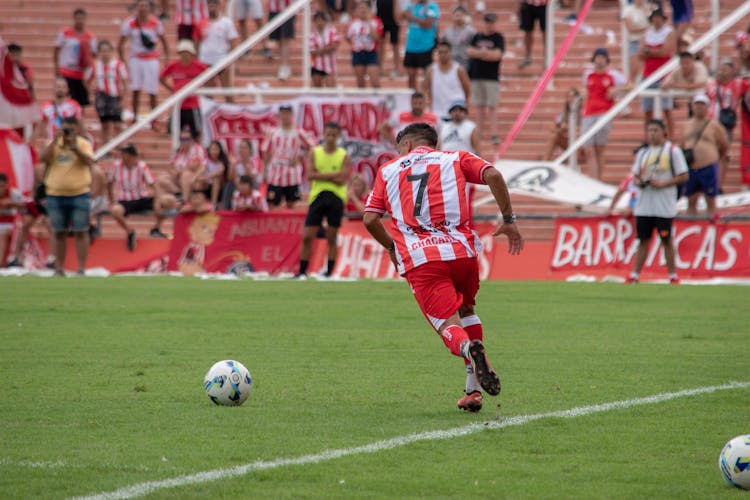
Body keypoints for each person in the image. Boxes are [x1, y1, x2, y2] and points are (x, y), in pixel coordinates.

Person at [363, 122, 523, 413]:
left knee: (448, 326)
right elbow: (494, 174)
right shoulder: (456, 158)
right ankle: (473, 391)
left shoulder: (388, 170)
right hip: (462, 253)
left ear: (407, 145)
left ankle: (468, 350)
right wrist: (509, 220)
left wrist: (390, 246)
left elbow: (370, 219)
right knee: (467, 311)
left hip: (422, 260)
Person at [627, 119, 688, 284]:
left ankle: (672, 275)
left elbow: (684, 175)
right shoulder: (643, 153)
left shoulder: (673, 151)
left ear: (663, 131)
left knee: (666, 239)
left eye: (655, 130)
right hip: (645, 205)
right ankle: (635, 275)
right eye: (650, 130)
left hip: (664, 205)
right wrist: (639, 182)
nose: (652, 134)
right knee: (643, 240)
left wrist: (662, 184)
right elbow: (635, 175)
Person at [39, 116, 95, 276]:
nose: (67, 131)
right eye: (65, 128)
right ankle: (59, 267)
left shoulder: (83, 144)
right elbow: (42, 158)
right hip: (55, 194)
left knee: (81, 231)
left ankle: (81, 268)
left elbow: (90, 161)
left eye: (70, 128)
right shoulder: (53, 144)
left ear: (77, 129)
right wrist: (55, 140)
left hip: (79, 193)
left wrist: (74, 147)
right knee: (58, 232)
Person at [296, 122, 351, 279]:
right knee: (307, 236)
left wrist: (321, 174)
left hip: (336, 197)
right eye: (328, 134)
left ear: (338, 136)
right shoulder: (315, 152)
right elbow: (310, 175)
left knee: (332, 237)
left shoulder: (343, 155)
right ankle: (302, 271)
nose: (331, 138)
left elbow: (342, 179)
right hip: (317, 196)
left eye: (334, 135)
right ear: (323, 134)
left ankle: (329, 272)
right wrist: (332, 175)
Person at [106, 143, 168, 251]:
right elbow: (109, 183)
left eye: (126, 154)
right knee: (116, 210)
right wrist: (111, 200)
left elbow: (153, 184)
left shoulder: (141, 166)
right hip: (124, 200)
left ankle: (156, 227)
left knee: (168, 202)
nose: (124, 157)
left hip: (141, 198)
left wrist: (158, 200)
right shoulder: (116, 167)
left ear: (132, 156)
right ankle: (130, 231)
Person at [119, 0, 169, 123]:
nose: (143, 8)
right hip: (136, 59)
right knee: (136, 89)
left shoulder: (155, 23)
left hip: (151, 59)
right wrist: (124, 61)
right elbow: (121, 43)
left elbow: (164, 41)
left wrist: (165, 58)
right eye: (141, 5)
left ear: (149, 8)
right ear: (137, 7)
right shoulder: (129, 23)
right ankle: (135, 117)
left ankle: (154, 119)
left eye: (145, 5)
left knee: (152, 90)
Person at [580, 48, 627, 179]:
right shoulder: (588, 75)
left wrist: (616, 89)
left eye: (602, 57)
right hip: (589, 112)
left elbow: (630, 85)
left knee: (599, 148)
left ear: (607, 60)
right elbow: (585, 89)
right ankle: (593, 178)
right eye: (597, 57)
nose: (599, 61)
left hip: (604, 113)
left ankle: (598, 179)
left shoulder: (613, 75)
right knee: (589, 148)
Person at [680, 94, 728, 216]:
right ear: (692, 106)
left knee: (710, 199)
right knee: (691, 199)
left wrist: (715, 156)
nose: (699, 107)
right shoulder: (686, 125)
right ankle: (691, 224)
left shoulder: (714, 125)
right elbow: (682, 144)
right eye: (697, 104)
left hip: (708, 166)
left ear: (707, 107)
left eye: (702, 104)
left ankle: (712, 224)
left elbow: (723, 144)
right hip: (691, 166)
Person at [705, 60, 750, 189]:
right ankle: (709, 184)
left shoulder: (737, 84)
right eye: (720, 69)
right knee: (709, 154)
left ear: (732, 72)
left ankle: (718, 185)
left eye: (725, 69)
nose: (722, 72)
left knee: (722, 155)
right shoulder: (711, 84)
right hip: (710, 124)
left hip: (725, 126)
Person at [261, 104, 316, 209]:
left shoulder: (299, 132)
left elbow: (312, 146)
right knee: (272, 203)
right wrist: (265, 171)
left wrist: (300, 157)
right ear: (279, 115)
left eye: (287, 113)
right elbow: (266, 152)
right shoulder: (273, 132)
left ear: (292, 114)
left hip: (292, 173)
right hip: (275, 172)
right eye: (283, 113)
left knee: (293, 203)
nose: (285, 116)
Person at [155, 128, 207, 235]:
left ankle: (184, 201)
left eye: (186, 139)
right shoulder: (179, 151)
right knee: (160, 179)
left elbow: (194, 166)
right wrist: (175, 173)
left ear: (192, 140)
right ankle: (164, 203)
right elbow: (170, 166)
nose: (184, 141)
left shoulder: (197, 149)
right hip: (178, 181)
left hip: (196, 180)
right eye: (182, 139)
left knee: (186, 175)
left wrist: (179, 171)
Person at [466, 12, 504, 146]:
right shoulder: (477, 36)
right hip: (477, 76)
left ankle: (494, 134)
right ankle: (479, 133)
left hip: (491, 77)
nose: (490, 25)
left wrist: (480, 54)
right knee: (479, 106)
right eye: (488, 22)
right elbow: (470, 52)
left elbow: (497, 55)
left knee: (492, 106)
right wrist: (486, 54)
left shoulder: (498, 37)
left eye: (492, 22)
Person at [639, 9, 677, 140]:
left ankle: (671, 137)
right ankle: (648, 138)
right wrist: (655, 51)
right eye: (654, 17)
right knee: (647, 111)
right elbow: (640, 54)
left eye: (659, 17)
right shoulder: (647, 34)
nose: (656, 20)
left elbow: (665, 52)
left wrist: (648, 51)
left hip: (663, 75)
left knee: (667, 110)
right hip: (648, 75)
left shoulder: (669, 32)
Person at [160, 39, 209, 138]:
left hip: (193, 105)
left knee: (196, 132)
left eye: (187, 53)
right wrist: (172, 89)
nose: (185, 55)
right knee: (174, 131)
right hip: (178, 104)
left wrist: (201, 90)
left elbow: (211, 77)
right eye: (183, 53)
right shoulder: (173, 66)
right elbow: (161, 77)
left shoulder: (199, 66)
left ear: (191, 54)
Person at [54, 8, 97, 110]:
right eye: (77, 18)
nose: (79, 21)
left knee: (81, 102)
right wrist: (57, 67)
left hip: (81, 74)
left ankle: (79, 122)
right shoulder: (65, 33)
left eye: (82, 18)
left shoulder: (90, 36)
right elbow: (56, 50)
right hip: (67, 71)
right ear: (74, 18)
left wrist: (87, 60)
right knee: (67, 99)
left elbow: (94, 54)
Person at [88, 40, 129, 147]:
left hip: (115, 96)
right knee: (105, 124)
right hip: (101, 97)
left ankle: (122, 146)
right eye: (102, 51)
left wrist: (124, 98)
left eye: (107, 51)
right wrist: (91, 92)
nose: (105, 53)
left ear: (111, 51)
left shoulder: (118, 65)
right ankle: (106, 147)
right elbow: (86, 79)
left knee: (117, 124)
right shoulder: (95, 65)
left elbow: (125, 82)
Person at [195, 0, 238, 99]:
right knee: (208, 94)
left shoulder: (226, 22)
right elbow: (196, 43)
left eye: (214, 3)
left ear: (219, 5)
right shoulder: (201, 22)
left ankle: (231, 113)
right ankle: (209, 114)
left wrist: (229, 61)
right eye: (209, 3)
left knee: (227, 93)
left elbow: (233, 43)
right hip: (205, 61)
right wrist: (197, 61)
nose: (212, 6)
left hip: (222, 61)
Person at [423, 40, 470, 120]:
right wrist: (428, 103)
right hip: (438, 112)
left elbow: (467, 89)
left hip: (456, 112)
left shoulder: (458, 69)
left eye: (445, 52)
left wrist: (465, 106)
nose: (443, 55)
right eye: (440, 52)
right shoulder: (431, 70)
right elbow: (425, 88)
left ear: (450, 53)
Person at [402, 0, 440, 91]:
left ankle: (426, 98)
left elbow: (428, 24)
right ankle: (412, 98)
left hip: (426, 46)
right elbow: (399, 18)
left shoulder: (432, 6)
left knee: (427, 76)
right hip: (411, 46)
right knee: (411, 75)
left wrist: (410, 17)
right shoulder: (410, 5)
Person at [346, 1, 384, 89]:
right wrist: (355, 44)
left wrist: (368, 22)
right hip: (358, 53)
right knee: (360, 81)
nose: (362, 11)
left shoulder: (376, 21)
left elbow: (377, 37)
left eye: (364, 8)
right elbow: (347, 36)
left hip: (371, 53)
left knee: (374, 80)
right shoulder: (352, 23)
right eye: (360, 8)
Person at [36, 77, 82, 143]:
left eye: (63, 87)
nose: (60, 89)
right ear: (54, 88)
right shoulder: (46, 107)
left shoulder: (74, 106)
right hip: (53, 142)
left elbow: (80, 126)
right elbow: (39, 128)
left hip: (69, 142)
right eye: (58, 87)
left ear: (67, 89)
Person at [544, 87, 582, 161]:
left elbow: (584, 130)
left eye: (573, 97)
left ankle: (574, 162)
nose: (570, 99)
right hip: (567, 141)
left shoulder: (583, 112)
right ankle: (545, 162)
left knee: (577, 138)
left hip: (580, 144)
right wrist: (561, 129)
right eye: (568, 97)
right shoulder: (563, 114)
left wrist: (569, 129)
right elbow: (553, 129)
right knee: (554, 136)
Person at [621, 0, 652, 84]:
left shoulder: (648, 9)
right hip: (636, 42)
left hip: (649, 42)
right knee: (635, 68)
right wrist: (645, 28)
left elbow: (654, 24)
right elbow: (631, 29)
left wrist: (646, 11)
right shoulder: (628, 10)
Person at [309, 10, 341, 88]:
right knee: (317, 89)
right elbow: (312, 51)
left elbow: (334, 45)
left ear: (325, 21)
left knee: (331, 89)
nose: (320, 22)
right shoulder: (311, 35)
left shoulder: (332, 31)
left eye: (321, 19)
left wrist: (320, 50)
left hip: (330, 65)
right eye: (317, 20)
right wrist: (328, 48)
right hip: (316, 65)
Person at [192, 140, 227, 208]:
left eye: (216, 149)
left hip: (219, 187)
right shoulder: (207, 160)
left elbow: (217, 173)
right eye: (212, 149)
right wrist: (195, 177)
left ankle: (213, 204)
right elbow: (201, 169)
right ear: (209, 150)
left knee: (216, 179)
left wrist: (204, 177)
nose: (214, 152)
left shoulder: (222, 161)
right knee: (198, 183)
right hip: (208, 184)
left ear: (220, 150)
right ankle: (198, 203)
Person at [268, 0, 297, 81]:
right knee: (278, 40)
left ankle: (285, 66)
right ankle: (284, 66)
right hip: (273, 9)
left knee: (285, 39)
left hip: (287, 9)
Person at [0, 173, 25, 266]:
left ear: (6, 184)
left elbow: (26, 206)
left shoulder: (13, 193)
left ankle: (1, 263)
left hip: (10, 225)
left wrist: (14, 203)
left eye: (2, 186)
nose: (0, 189)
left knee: (3, 235)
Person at [442, 6, 475, 73]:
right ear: (453, 16)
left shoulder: (471, 31)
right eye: (456, 15)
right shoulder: (447, 32)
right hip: (451, 64)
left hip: (466, 64)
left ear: (464, 17)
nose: (458, 18)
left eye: (460, 15)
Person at [375, 0, 402, 79]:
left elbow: (398, 6)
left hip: (393, 19)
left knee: (395, 45)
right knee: (380, 44)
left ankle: (397, 69)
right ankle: (379, 69)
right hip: (381, 18)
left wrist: (397, 16)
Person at [517, 0, 546, 70]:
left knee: (546, 31)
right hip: (528, 4)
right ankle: (527, 56)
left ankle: (547, 56)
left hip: (544, 4)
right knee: (527, 31)